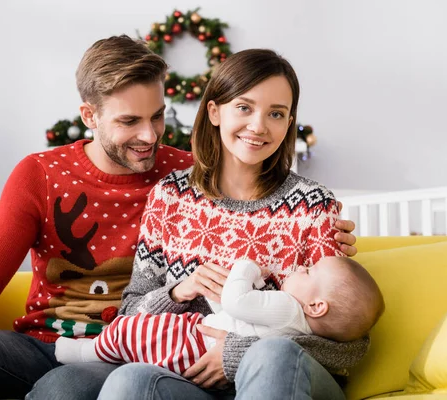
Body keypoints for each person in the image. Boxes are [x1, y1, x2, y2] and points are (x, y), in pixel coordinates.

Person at [0, 36, 358, 400]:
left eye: (157, 117)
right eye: (128, 122)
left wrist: (240, 349)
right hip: (62, 347)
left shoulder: (195, 178)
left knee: (75, 388)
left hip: (153, 360)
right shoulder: (163, 191)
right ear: (89, 116)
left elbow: (337, 324)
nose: (148, 137)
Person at [96, 48, 370, 400]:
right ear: (214, 111)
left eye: (276, 113)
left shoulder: (314, 206)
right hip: (191, 381)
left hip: (288, 378)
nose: (258, 126)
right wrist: (179, 291)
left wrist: (239, 352)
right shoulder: (170, 196)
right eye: (244, 107)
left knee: (273, 355)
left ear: (288, 124)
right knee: (131, 381)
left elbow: (348, 346)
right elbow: (129, 315)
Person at [55, 256, 385, 372]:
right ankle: (88, 351)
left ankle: (87, 350)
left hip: (200, 344)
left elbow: (239, 304)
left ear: (316, 306)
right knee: (144, 337)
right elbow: (237, 314)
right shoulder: (297, 321)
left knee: (136, 332)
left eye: (309, 271)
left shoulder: (287, 307)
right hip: (202, 344)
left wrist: (246, 267)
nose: (300, 267)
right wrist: (181, 292)